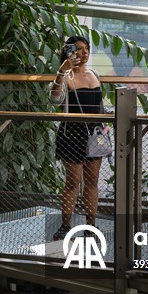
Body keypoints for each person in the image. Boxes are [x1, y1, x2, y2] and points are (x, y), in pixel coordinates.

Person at [50, 36, 105, 241]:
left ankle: (91, 227)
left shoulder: (94, 74)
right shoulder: (66, 76)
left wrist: (106, 122)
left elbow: (99, 107)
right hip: (72, 134)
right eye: (79, 49)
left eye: (86, 48)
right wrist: (61, 72)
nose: (84, 52)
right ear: (69, 52)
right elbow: (55, 100)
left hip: (94, 134)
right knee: (72, 182)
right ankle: (65, 226)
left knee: (92, 181)